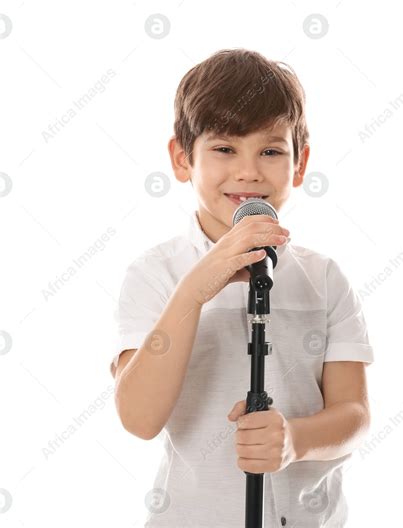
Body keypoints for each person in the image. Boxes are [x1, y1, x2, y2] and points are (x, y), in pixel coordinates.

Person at [110, 48, 375, 528]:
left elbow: (354, 412)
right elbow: (139, 418)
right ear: (181, 158)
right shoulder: (155, 273)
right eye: (225, 149)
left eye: (271, 151)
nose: (249, 171)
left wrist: (294, 439)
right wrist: (194, 291)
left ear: (300, 163)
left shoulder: (325, 278)